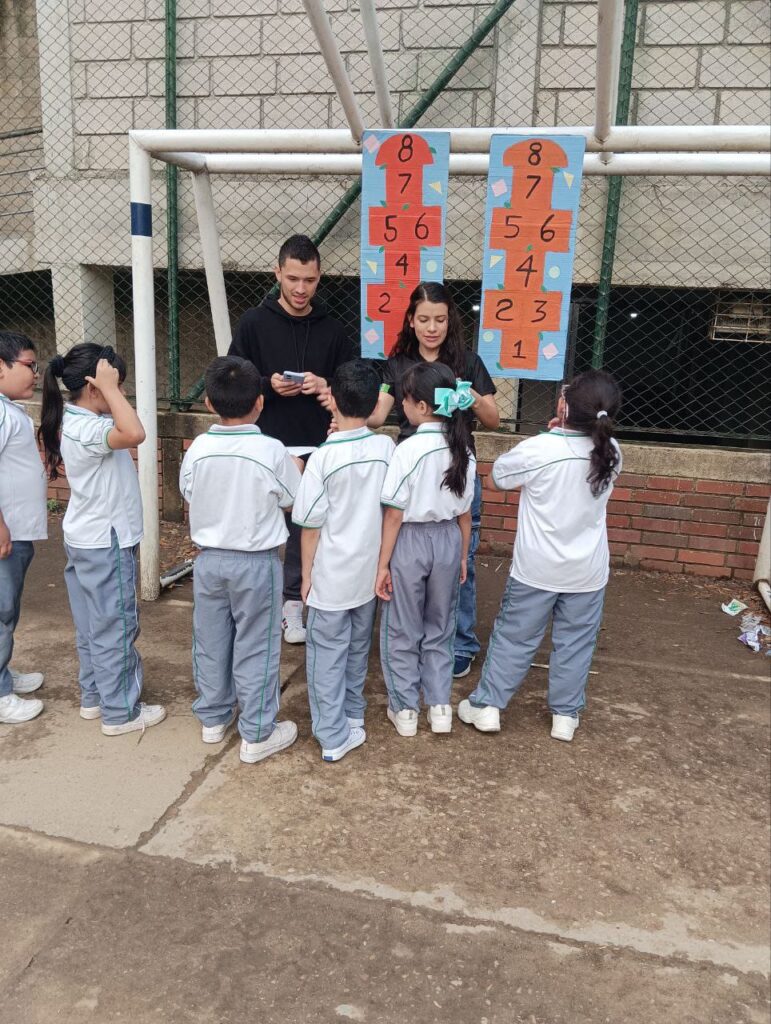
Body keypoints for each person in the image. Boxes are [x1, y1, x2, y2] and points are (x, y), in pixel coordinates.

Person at [458, 370, 623, 743]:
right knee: (576, 642)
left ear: (564, 407)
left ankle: (488, 707)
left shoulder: (540, 449)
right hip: (588, 572)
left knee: (515, 637)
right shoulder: (612, 451)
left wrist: (551, 434)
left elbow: (499, 476)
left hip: (536, 569)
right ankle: (565, 716)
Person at [368, 282, 499, 680]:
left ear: (450, 321)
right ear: (411, 319)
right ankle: (413, 642)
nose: (432, 327)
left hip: (456, 471)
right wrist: (345, 412)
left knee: (462, 561)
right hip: (412, 468)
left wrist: (469, 395)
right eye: (424, 319)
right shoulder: (398, 361)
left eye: (440, 320)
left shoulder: (468, 361)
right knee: (410, 563)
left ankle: (458, 643)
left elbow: (493, 418)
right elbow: (379, 414)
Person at [229, 234, 356, 646]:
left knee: (311, 528)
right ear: (277, 273)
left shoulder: (334, 329)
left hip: (320, 444)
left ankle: (297, 603)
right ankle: (265, 605)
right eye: (294, 278)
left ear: (320, 279)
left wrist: (326, 384)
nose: (301, 289)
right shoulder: (253, 322)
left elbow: (352, 386)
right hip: (268, 444)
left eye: (311, 280)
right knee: (263, 528)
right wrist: (269, 383)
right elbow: (235, 378)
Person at [180, 356, 302, 764]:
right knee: (257, 646)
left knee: (211, 641)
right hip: (256, 562)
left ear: (209, 404)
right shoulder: (271, 450)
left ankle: (213, 718)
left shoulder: (198, 447)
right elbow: (292, 498)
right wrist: (296, 467)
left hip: (209, 561)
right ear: (261, 402)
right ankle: (257, 732)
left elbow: (188, 491)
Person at [39, 344, 166, 735]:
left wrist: (109, 390)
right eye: (118, 387)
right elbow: (136, 433)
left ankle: (94, 696)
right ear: (94, 388)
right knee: (116, 626)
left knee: (93, 624)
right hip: (105, 542)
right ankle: (120, 711)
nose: (121, 395)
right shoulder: (90, 428)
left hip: (85, 537)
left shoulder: (73, 422)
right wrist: (110, 388)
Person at [292, 360, 394, 762]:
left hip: (331, 577)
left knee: (326, 656)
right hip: (368, 573)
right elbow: (392, 507)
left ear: (330, 399)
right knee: (355, 649)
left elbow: (310, 525)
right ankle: (352, 715)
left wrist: (305, 575)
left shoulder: (322, 459)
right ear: (373, 406)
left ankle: (332, 735)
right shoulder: (387, 448)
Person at [376, 362, 475, 737]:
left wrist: (382, 564)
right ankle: (439, 707)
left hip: (411, 541)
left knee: (403, 627)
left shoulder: (409, 448)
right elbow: (465, 514)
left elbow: (394, 515)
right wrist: (463, 555)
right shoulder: (462, 448)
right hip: (449, 539)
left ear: (418, 405)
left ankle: (405, 710)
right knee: (440, 626)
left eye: (404, 397)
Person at [0, 331, 46, 724]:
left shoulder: (7, 409)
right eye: (29, 366)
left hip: (16, 531)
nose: (36, 373)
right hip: (5, 534)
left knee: (7, 608)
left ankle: (2, 674)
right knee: (0, 610)